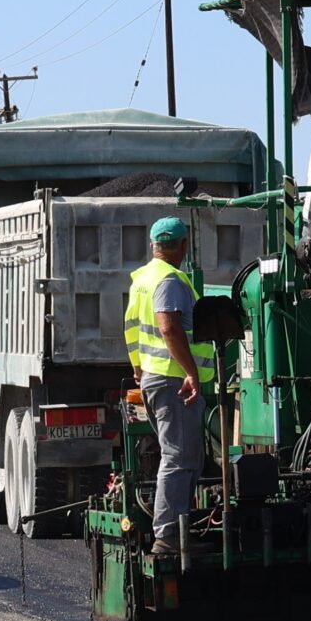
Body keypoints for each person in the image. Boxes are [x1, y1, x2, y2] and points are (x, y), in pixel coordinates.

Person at [122, 216, 214, 557]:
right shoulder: (170, 280)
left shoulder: (142, 279)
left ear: (153, 246)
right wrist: (191, 372)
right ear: (184, 246)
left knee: (184, 454)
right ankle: (169, 536)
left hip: (155, 376)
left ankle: (179, 530)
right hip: (174, 379)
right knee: (178, 456)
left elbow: (131, 328)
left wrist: (138, 367)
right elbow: (168, 328)